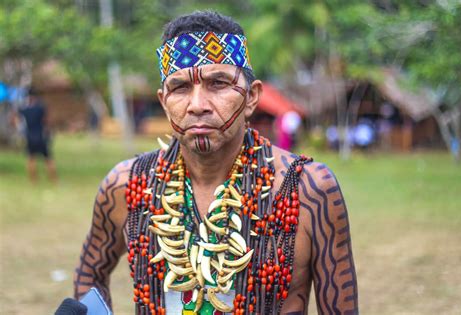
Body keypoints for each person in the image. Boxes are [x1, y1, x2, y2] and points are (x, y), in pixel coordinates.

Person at [74, 11, 358, 315]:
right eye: (180, 87)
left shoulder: (308, 190)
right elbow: (90, 274)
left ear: (252, 97)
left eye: (218, 83)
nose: (198, 105)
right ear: (163, 102)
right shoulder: (126, 185)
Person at [18, 88, 57, 183]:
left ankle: (33, 181)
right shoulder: (41, 107)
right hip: (41, 135)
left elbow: (15, 118)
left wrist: (19, 129)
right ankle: (54, 180)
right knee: (48, 158)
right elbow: (46, 120)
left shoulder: (24, 109)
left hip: (29, 136)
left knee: (31, 158)